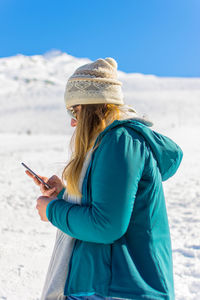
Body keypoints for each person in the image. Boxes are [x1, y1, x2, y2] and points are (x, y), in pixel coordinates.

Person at [26, 57, 183, 300]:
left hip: (123, 291)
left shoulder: (120, 142)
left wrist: (53, 211)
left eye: (74, 110)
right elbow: (108, 205)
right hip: (106, 287)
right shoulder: (110, 145)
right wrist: (65, 195)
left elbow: (105, 225)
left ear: (90, 107)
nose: (71, 121)